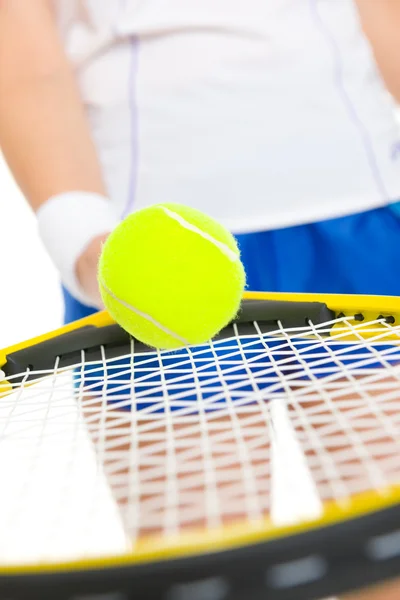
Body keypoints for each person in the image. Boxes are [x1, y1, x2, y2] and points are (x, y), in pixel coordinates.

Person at [1, 2, 400, 597]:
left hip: (362, 227)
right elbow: (25, 56)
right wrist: (80, 235)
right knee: (210, 582)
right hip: (155, 275)